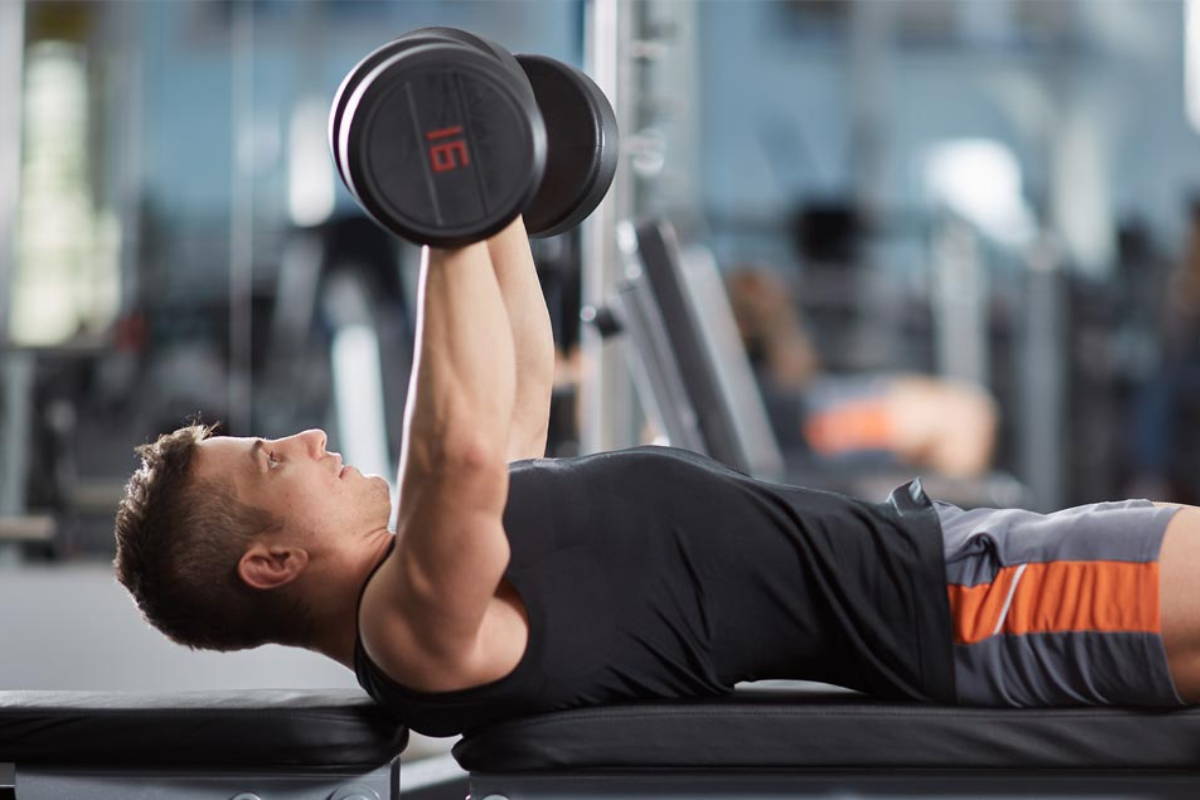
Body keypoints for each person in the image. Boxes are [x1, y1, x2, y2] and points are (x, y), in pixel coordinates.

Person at [114, 218, 1200, 738]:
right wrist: (441, 212)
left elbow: (516, 378)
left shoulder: (443, 572)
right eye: (271, 459)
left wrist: (494, 203)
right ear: (272, 559)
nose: (306, 436)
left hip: (968, 569)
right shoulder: (410, 630)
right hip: (968, 605)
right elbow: (456, 452)